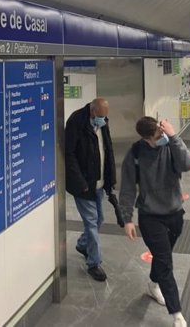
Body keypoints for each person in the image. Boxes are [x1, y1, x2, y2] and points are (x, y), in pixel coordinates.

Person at [119, 117, 190, 327]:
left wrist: (173, 136)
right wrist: (127, 219)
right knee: (165, 261)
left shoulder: (171, 145)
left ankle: (153, 284)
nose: (161, 138)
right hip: (150, 216)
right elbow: (126, 188)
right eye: (157, 136)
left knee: (163, 258)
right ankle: (176, 313)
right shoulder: (135, 154)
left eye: (162, 134)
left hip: (175, 213)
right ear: (146, 139)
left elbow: (187, 164)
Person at [65, 98, 116, 282]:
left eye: (105, 117)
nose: (103, 119)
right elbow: (68, 154)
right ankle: (94, 263)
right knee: (92, 223)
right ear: (93, 111)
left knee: (99, 219)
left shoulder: (102, 123)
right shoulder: (76, 121)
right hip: (84, 185)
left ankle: (82, 244)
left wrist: (110, 180)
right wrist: (81, 183)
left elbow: (107, 149)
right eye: (101, 116)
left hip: (99, 183)